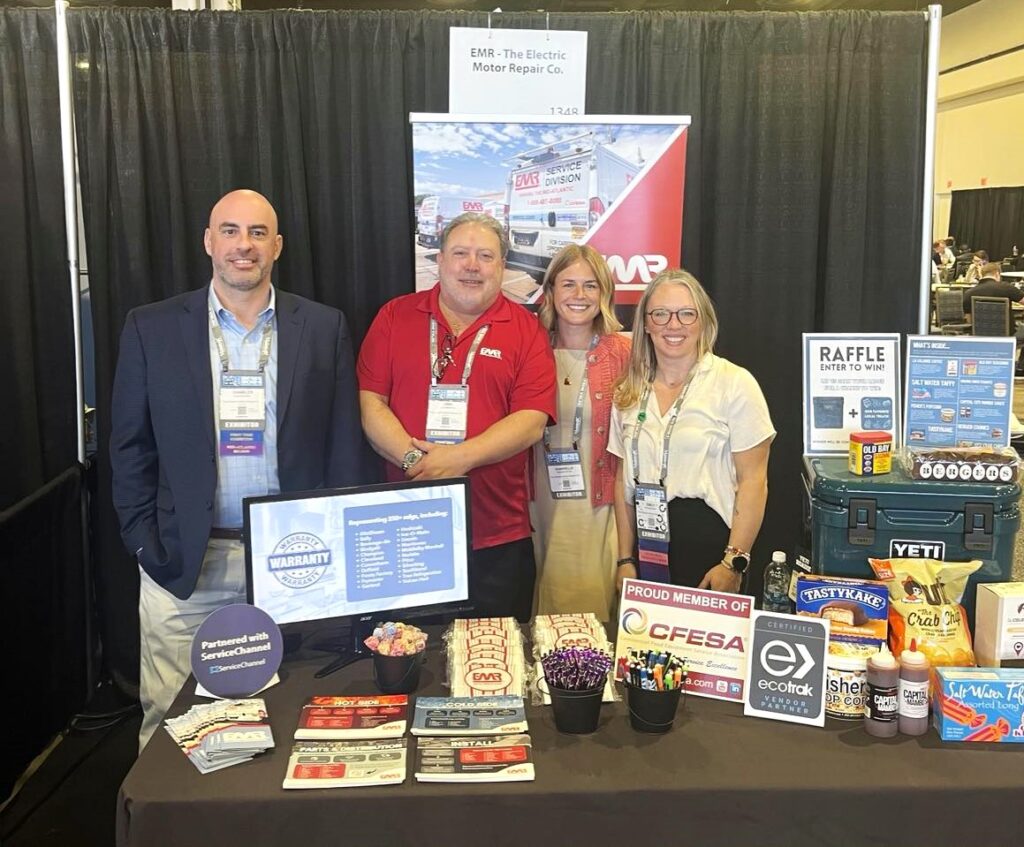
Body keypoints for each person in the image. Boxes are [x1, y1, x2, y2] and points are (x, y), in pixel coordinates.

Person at [110, 189, 363, 750]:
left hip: (292, 561)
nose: (243, 245)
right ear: (208, 241)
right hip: (186, 561)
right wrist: (144, 543)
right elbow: (129, 446)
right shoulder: (152, 327)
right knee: (170, 720)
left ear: (277, 245)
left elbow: (343, 445)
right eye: (230, 231)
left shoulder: (322, 326)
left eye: (257, 233)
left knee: (285, 716)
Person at [357, 212, 556, 622]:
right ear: (441, 259)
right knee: (408, 654)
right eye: (461, 253)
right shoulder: (394, 316)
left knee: (496, 655)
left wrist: (457, 459)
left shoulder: (527, 330)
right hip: (405, 529)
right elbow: (371, 402)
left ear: (502, 266)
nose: (472, 265)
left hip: (496, 535)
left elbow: (532, 419)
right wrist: (417, 462)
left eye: (486, 256)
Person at [609, 269, 775, 592]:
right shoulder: (628, 391)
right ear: (646, 323)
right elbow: (621, 480)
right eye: (661, 314)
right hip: (647, 550)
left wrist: (733, 562)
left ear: (703, 321)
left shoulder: (734, 383)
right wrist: (625, 559)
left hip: (713, 553)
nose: (674, 325)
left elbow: (754, 481)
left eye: (686, 314)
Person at [530, 245, 631, 620]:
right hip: (536, 502)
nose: (579, 295)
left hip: (596, 504)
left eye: (590, 285)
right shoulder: (528, 346)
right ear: (551, 290)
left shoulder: (625, 353)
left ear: (604, 293)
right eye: (568, 284)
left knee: (586, 612)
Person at [962, 263, 1024, 345]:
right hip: (1007, 334)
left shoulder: (969, 293)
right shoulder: (1006, 288)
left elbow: (969, 319)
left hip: (979, 335)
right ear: (997, 274)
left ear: (982, 274)